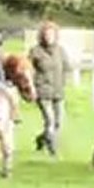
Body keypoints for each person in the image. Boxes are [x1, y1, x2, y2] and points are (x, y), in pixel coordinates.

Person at [28, 20, 70, 157]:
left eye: (51, 34)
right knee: (50, 120)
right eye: (46, 35)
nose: (49, 37)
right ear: (42, 36)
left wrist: (64, 82)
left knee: (59, 122)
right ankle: (53, 149)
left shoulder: (61, 50)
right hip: (43, 91)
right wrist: (33, 87)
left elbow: (66, 68)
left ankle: (42, 139)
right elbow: (28, 70)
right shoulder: (35, 51)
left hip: (58, 91)